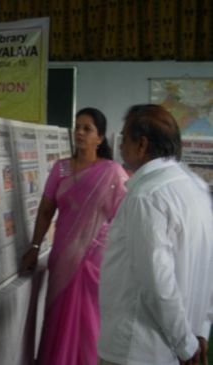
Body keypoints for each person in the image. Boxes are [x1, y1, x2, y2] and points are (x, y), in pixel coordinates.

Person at [98, 104, 213, 365]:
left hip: (138, 349)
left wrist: (186, 345)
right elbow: (208, 267)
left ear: (142, 145)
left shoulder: (147, 197)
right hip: (179, 340)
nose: (119, 146)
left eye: (125, 137)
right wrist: (199, 331)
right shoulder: (195, 187)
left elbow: (157, 282)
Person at [21, 107, 128, 365]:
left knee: (88, 321)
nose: (79, 132)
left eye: (87, 128)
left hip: (94, 261)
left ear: (100, 138)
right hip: (62, 257)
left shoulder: (112, 172)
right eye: (77, 127)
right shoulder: (61, 169)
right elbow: (47, 210)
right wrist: (35, 246)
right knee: (58, 315)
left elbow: (123, 219)